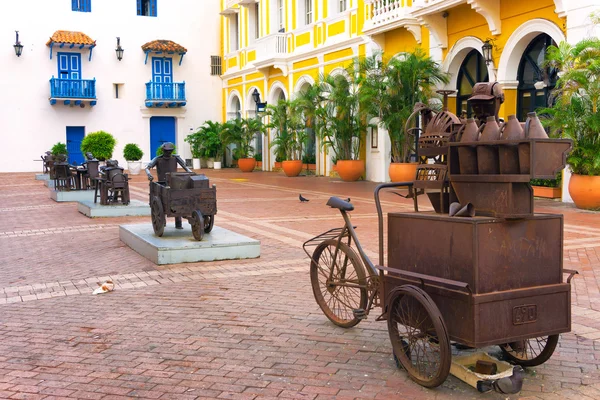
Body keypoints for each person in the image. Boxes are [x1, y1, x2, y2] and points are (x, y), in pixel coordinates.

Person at [145, 142, 192, 229]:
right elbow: (147, 167)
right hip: (163, 183)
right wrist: (149, 174)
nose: (168, 153)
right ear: (163, 150)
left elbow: (185, 166)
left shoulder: (175, 158)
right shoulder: (158, 159)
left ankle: (178, 223)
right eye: (166, 151)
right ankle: (163, 222)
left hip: (175, 182)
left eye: (170, 151)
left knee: (177, 198)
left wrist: (190, 172)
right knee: (164, 201)